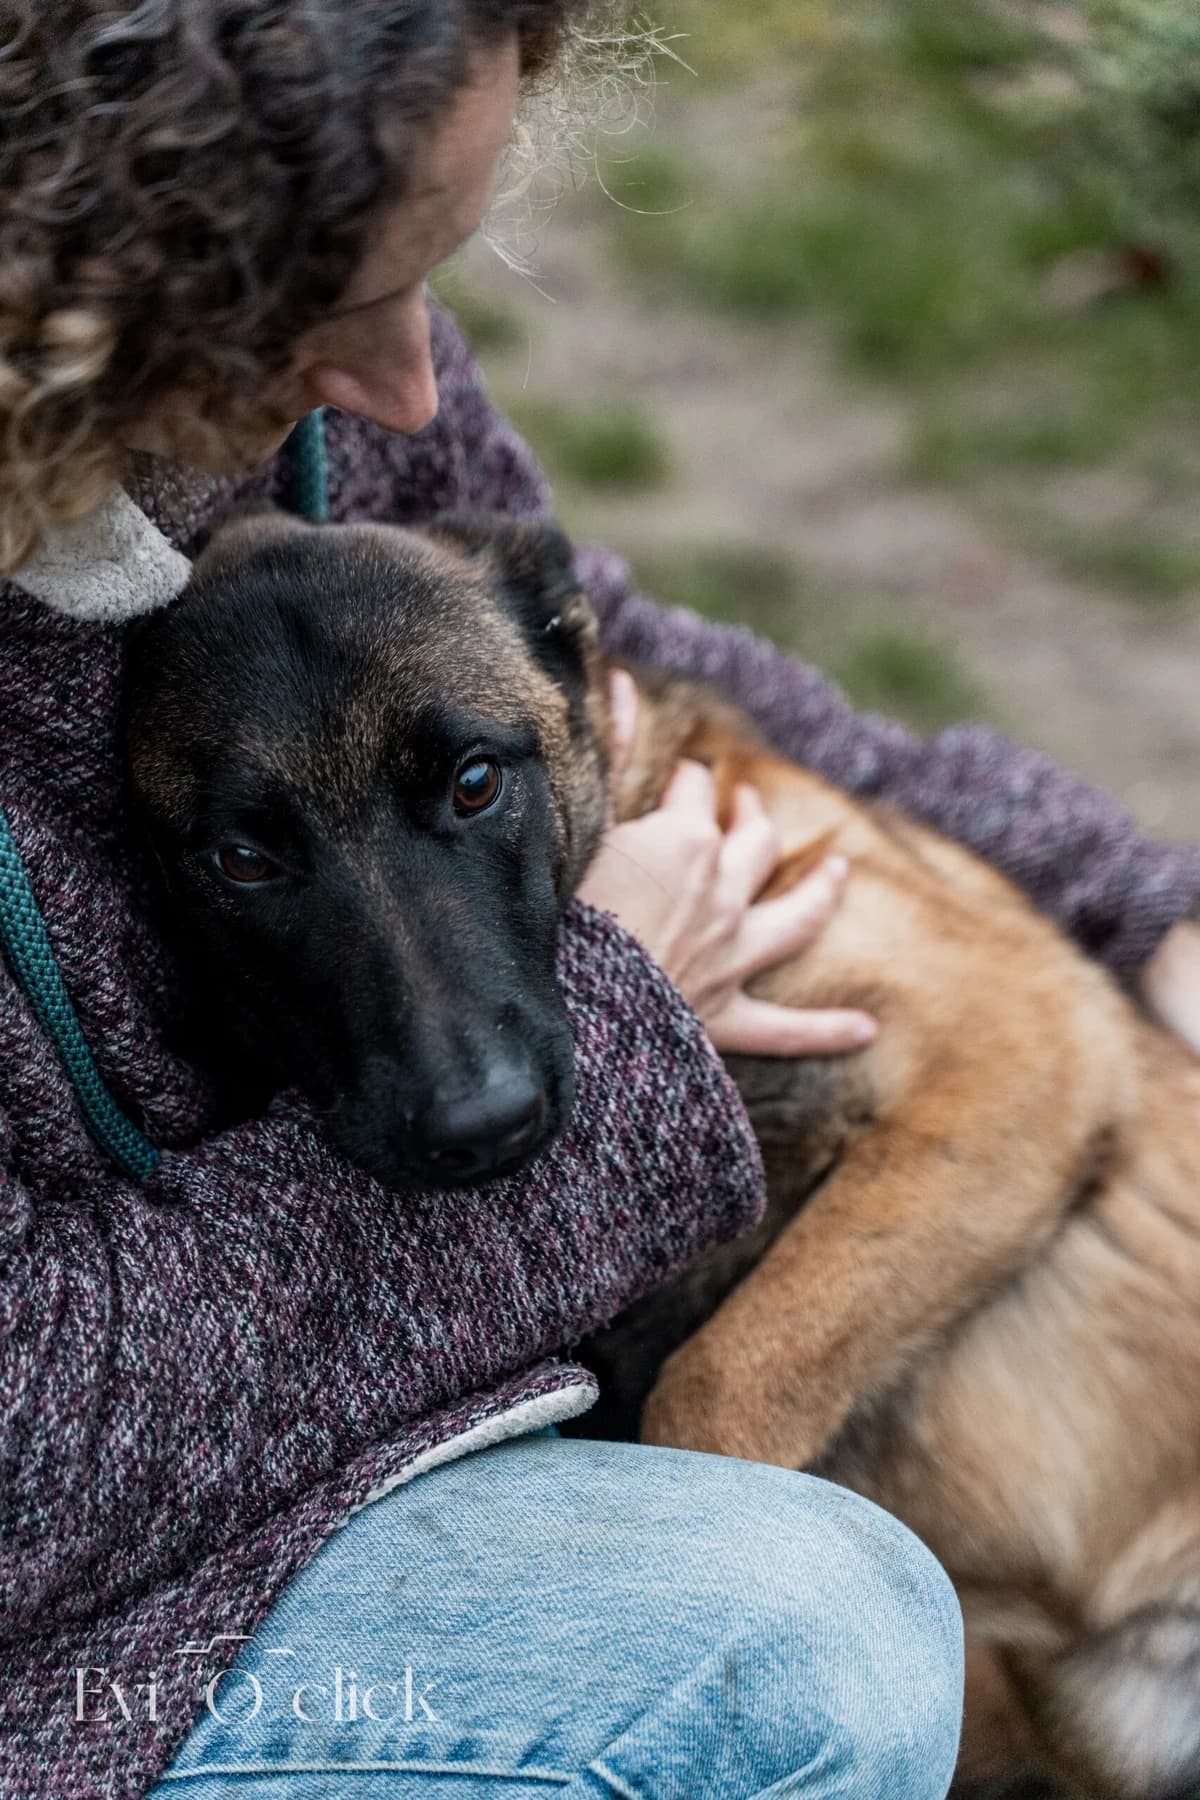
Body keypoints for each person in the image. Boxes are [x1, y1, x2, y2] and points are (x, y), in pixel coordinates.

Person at [0, 5, 1196, 1797]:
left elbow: (612, 652)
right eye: (317, 300)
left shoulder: (290, 414)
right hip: (105, 1646)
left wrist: (1140, 900)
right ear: (79, 263)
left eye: (435, 272)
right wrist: (623, 1014)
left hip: (588, 1429)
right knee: (786, 1633)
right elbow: (34, 1457)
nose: (412, 385)